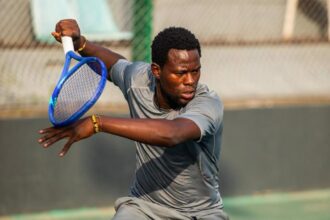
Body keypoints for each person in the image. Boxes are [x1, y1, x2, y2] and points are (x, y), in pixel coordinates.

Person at [38, 19, 228, 220]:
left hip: (200, 213)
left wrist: (97, 123)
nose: (190, 81)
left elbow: (173, 133)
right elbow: (113, 63)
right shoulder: (139, 81)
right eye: (180, 73)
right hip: (144, 207)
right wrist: (80, 44)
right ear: (156, 71)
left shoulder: (207, 103)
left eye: (195, 71)